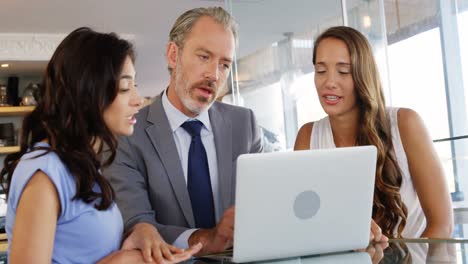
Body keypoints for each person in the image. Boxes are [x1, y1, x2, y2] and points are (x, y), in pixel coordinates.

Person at [2, 27, 200, 263]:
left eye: (135, 85)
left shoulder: (83, 166)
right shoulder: (45, 173)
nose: (138, 99)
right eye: (125, 88)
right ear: (89, 92)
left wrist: (136, 235)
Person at [104, 6, 263, 257]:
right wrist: (207, 239)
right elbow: (137, 226)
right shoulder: (127, 135)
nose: (213, 74)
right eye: (204, 57)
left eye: (224, 64)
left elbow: (265, 206)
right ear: (173, 55)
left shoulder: (245, 124)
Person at [294, 26, 453, 238]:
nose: (329, 82)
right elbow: (303, 225)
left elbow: (442, 225)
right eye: (321, 71)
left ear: (363, 74)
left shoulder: (405, 124)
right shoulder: (308, 136)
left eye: (343, 71)